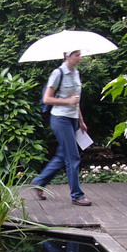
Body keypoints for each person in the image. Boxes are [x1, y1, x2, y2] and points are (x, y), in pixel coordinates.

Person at [31, 50, 92, 206]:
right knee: (73, 157)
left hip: (72, 120)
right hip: (60, 119)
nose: (80, 57)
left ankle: (39, 181)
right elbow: (47, 98)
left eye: (80, 54)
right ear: (67, 56)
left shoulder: (76, 73)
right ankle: (77, 196)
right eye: (77, 55)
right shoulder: (58, 73)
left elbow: (76, 100)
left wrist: (81, 120)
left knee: (62, 155)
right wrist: (68, 102)